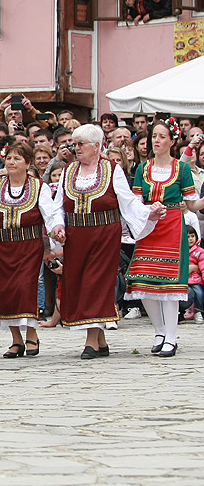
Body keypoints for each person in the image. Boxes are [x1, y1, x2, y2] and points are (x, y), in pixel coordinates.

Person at [52, 124, 162, 359]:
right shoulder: (68, 171)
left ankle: (90, 341)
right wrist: (58, 226)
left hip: (104, 235)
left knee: (95, 284)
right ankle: (100, 341)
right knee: (80, 284)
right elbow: (58, 205)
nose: (76, 148)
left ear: (97, 146)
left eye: (81, 144)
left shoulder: (112, 169)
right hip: (76, 237)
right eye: (75, 143)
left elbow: (127, 201)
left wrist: (147, 213)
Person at [0, 141, 64, 358]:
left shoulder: (38, 187)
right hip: (2, 248)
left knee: (25, 289)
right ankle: (16, 340)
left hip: (28, 247)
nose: (12, 162)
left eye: (17, 158)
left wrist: (57, 231)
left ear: (28, 163)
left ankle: (32, 334)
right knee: (5, 293)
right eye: (9, 158)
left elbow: (50, 214)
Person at [124, 118, 204, 357]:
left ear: (171, 140)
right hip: (149, 227)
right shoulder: (142, 169)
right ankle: (159, 331)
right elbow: (136, 203)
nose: (156, 140)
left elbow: (192, 204)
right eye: (153, 136)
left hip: (171, 225)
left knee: (169, 282)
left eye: (161, 136)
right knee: (141, 279)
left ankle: (171, 336)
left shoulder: (182, 169)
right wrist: (148, 212)